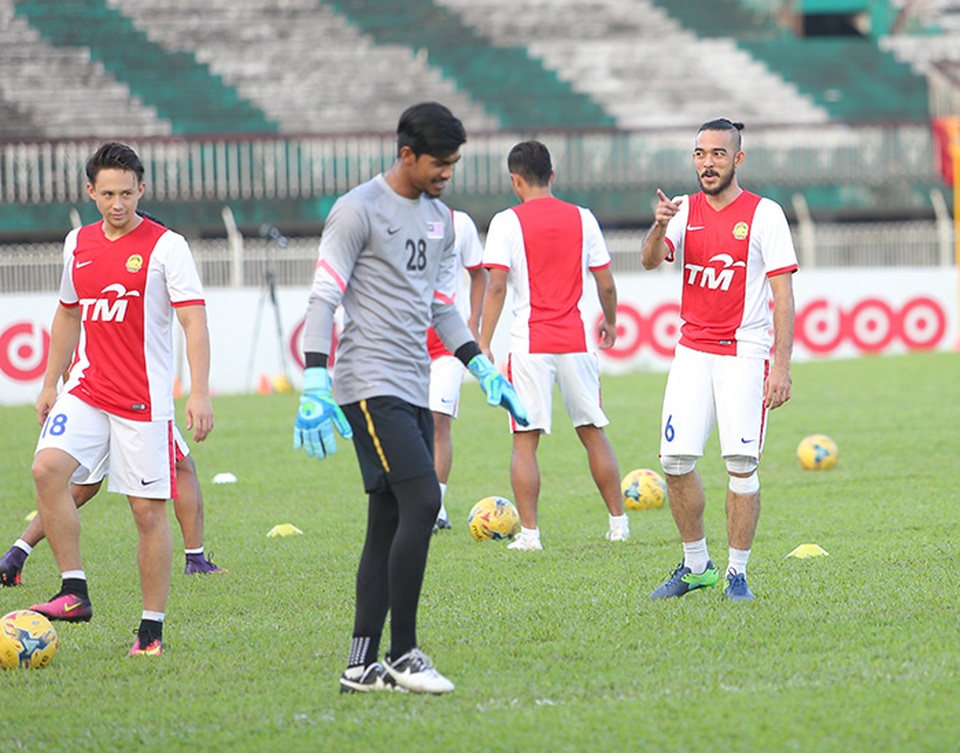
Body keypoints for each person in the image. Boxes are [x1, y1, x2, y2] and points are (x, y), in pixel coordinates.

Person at [293, 102, 527, 695]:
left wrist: (480, 364)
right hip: (368, 385)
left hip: (412, 382)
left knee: (389, 518)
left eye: (454, 163)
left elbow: (440, 305)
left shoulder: (443, 220)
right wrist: (315, 379)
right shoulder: (357, 210)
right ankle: (404, 654)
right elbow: (323, 299)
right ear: (406, 155)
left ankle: (360, 665)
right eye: (438, 164)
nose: (447, 173)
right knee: (424, 500)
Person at [27, 142, 214, 656]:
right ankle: (74, 590)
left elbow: (193, 320)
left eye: (127, 193)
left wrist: (198, 390)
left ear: (142, 190)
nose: (117, 204)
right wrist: (49, 381)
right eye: (107, 194)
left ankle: (150, 630)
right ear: (91, 191)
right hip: (86, 388)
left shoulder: (166, 246)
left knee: (146, 513)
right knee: (47, 471)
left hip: (143, 401)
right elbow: (68, 313)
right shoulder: (77, 243)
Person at [640, 118, 797, 602]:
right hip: (692, 351)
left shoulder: (765, 214)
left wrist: (783, 365)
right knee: (674, 460)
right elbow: (649, 260)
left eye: (718, 154)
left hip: (744, 354)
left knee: (741, 464)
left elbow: (783, 295)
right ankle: (696, 566)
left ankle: (737, 574)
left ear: (738, 159)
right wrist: (660, 224)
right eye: (700, 154)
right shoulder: (682, 210)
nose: (707, 163)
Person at [479, 140, 628, 552]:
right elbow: (606, 282)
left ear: (515, 180)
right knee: (592, 431)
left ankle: (530, 534)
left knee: (525, 438)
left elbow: (495, 286)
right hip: (576, 340)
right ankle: (618, 524)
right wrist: (611, 322)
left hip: (530, 342)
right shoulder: (583, 218)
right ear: (553, 176)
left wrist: (483, 342)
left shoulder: (506, 222)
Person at [0, 425, 224, 587]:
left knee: (82, 488)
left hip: (88, 398)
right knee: (181, 466)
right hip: (130, 397)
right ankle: (195, 561)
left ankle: (15, 557)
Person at [427, 209, 488, 532]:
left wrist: (472, 322)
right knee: (408, 422)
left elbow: (480, 274)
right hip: (403, 341)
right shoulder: (389, 217)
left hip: (447, 342)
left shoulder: (459, 222)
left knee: (439, 420)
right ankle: (411, 501)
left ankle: (435, 507)